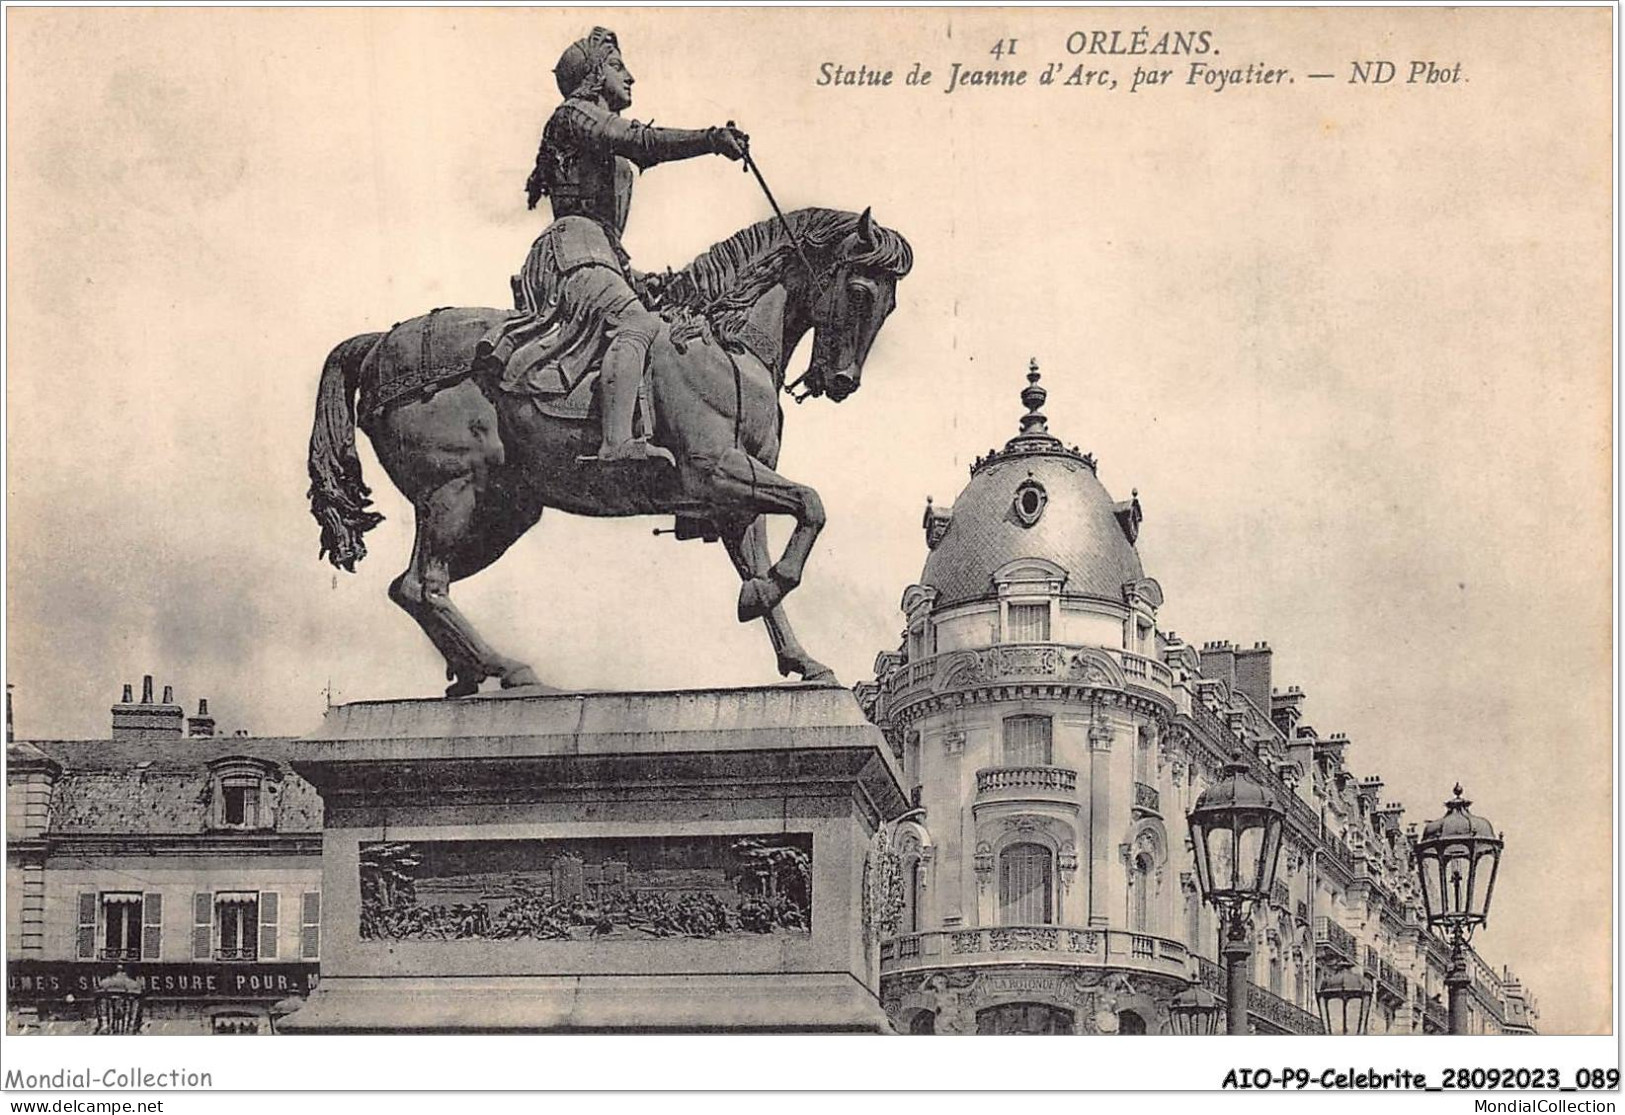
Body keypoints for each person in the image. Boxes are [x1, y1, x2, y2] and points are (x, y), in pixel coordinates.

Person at [490, 28, 749, 466]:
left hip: (601, 253)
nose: (630, 77)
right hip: (573, 251)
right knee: (638, 326)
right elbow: (639, 142)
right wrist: (708, 139)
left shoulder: (588, 121)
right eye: (616, 66)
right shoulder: (574, 114)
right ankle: (614, 444)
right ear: (591, 76)